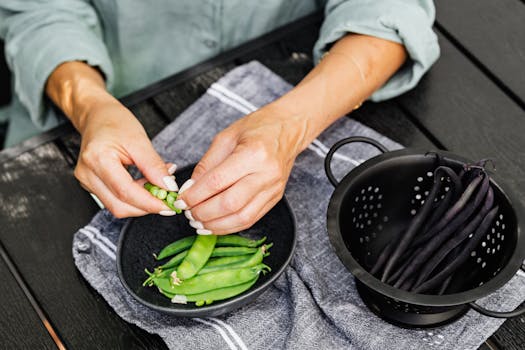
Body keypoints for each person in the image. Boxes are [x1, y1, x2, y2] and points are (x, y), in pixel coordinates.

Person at [0, 1, 439, 235]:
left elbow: (390, 10)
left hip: (305, 80)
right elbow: (37, 12)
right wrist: (89, 104)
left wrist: (290, 126)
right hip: (94, 113)